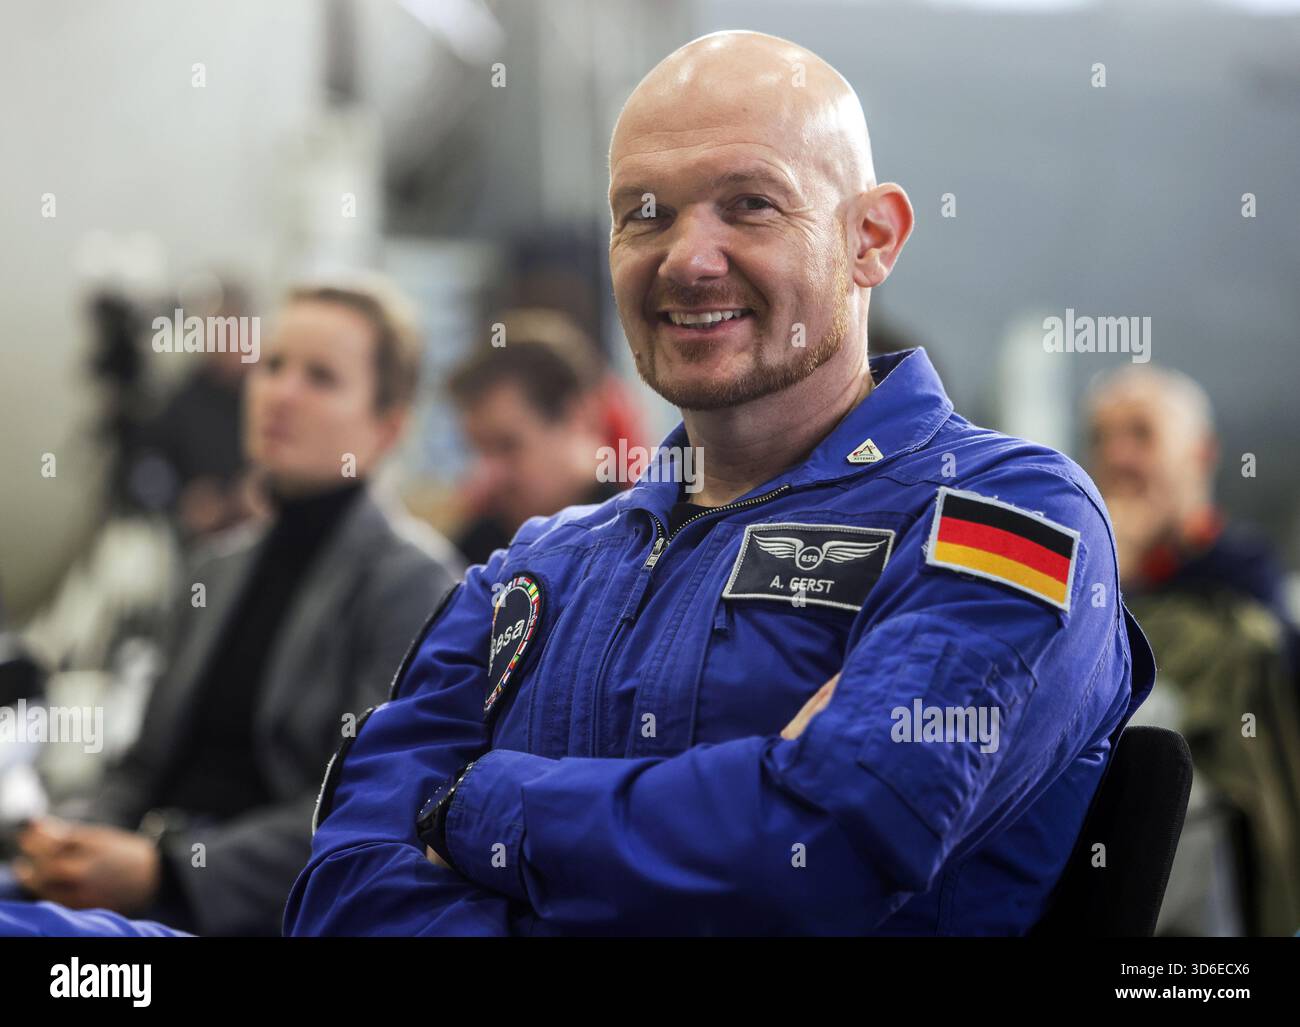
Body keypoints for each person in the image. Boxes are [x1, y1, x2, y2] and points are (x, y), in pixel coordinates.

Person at [282, 31, 1153, 937]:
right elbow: (343, 887)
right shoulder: (536, 570)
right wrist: (739, 795)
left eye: (750, 204)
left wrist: (477, 806)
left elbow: (827, 840)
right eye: (646, 214)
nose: (689, 259)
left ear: (873, 238)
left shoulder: (1002, 516)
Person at [7, 279, 462, 935]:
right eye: (272, 365)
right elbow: (142, 767)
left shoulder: (415, 585)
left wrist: (166, 872)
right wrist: (74, 839)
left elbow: (374, 814)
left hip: (244, 912)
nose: (280, 392)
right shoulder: (217, 569)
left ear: (388, 426)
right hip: (135, 889)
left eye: (321, 376)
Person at [1087, 364, 1300, 936]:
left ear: (1201, 455)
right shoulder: (1082, 570)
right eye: (1102, 437)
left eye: (1141, 434)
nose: (1117, 456)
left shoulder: (1244, 592)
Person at [446, 308, 625, 566]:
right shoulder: (474, 553)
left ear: (577, 416)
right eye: (477, 450)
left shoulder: (640, 546)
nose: (488, 476)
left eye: (508, 446)